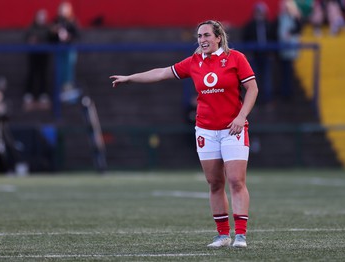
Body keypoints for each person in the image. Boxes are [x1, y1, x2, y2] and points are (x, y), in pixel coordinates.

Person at [110, 20, 258, 248]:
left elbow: (253, 88)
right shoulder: (194, 62)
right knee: (214, 183)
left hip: (233, 129)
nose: (202, 40)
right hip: (206, 130)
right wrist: (130, 78)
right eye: (199, 36)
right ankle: (222, 235)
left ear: (218, 37)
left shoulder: (236, 58)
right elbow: (161, 73)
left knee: (237, 181)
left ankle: (240, 236)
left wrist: (241, 117)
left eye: (207, 35)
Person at [242, 1, 276, 105]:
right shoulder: (249, 25)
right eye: (257, 12)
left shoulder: (269, 25)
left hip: (266, 56)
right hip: (254, 56)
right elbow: (245, 40)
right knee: (253, 79)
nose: (259, 14)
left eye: (261, 12)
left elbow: (273, 39)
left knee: (267, 78)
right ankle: (254, 100)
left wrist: (272, 52)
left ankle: (267, 99)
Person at [23, 9, 51, 111]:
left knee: (43, 74)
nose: (41, 19)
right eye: (39, 16)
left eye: (43, 17)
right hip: (33, 56)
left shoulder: (48, 28)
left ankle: (43, 94)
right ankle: (29, 93)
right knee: (32, 73)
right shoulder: (31, 28)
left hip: (44, 56)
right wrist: (31, 40)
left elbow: (51, 39)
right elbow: (26, 38)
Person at [50, 1, 79, 97]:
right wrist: (54, 31)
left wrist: (69, 37)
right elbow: (50, 35)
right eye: (62, 9)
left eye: (66, 9)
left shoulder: (72, 21)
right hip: (59, 50)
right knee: (59, 70)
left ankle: (69, 89)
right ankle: (60, 90)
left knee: (68, 69)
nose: (63, 11)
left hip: (69, 49)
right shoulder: (56, 21)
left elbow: (77, 35)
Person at [277, 0, 303, 99]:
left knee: (289, 72)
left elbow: (298, 28)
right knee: (284, 72)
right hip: (282, 50)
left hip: (291, 50)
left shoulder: (294, 18)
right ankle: (285, 92)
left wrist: (290, 33)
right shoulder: (281, 18)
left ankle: (288, 92)